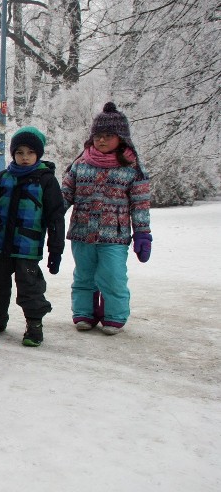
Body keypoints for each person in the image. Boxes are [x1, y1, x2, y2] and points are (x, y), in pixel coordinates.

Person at [62, 102, 151, 335]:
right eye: (98, 136)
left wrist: (143, 233)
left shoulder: (132, 168)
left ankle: (114, 316)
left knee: (112, 276)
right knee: (83, 275)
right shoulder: (80, 165)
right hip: (82, 232)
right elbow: (65, 195)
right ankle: (84, 313)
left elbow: (140, 204)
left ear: (121, 138)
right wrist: (48, 217)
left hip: (115, 236)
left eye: (108, 136)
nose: (101, 141)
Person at [0, 127, 66, 346]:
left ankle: (34, 325)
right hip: (0, 246)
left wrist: (56, 250)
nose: (24, 157)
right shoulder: (3, 178)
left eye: (30, 152)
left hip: (28, 248)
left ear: (38, 155)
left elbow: (55, 218)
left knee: (30, 287)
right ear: (13, 153)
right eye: (20, 152)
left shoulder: (46, 181)